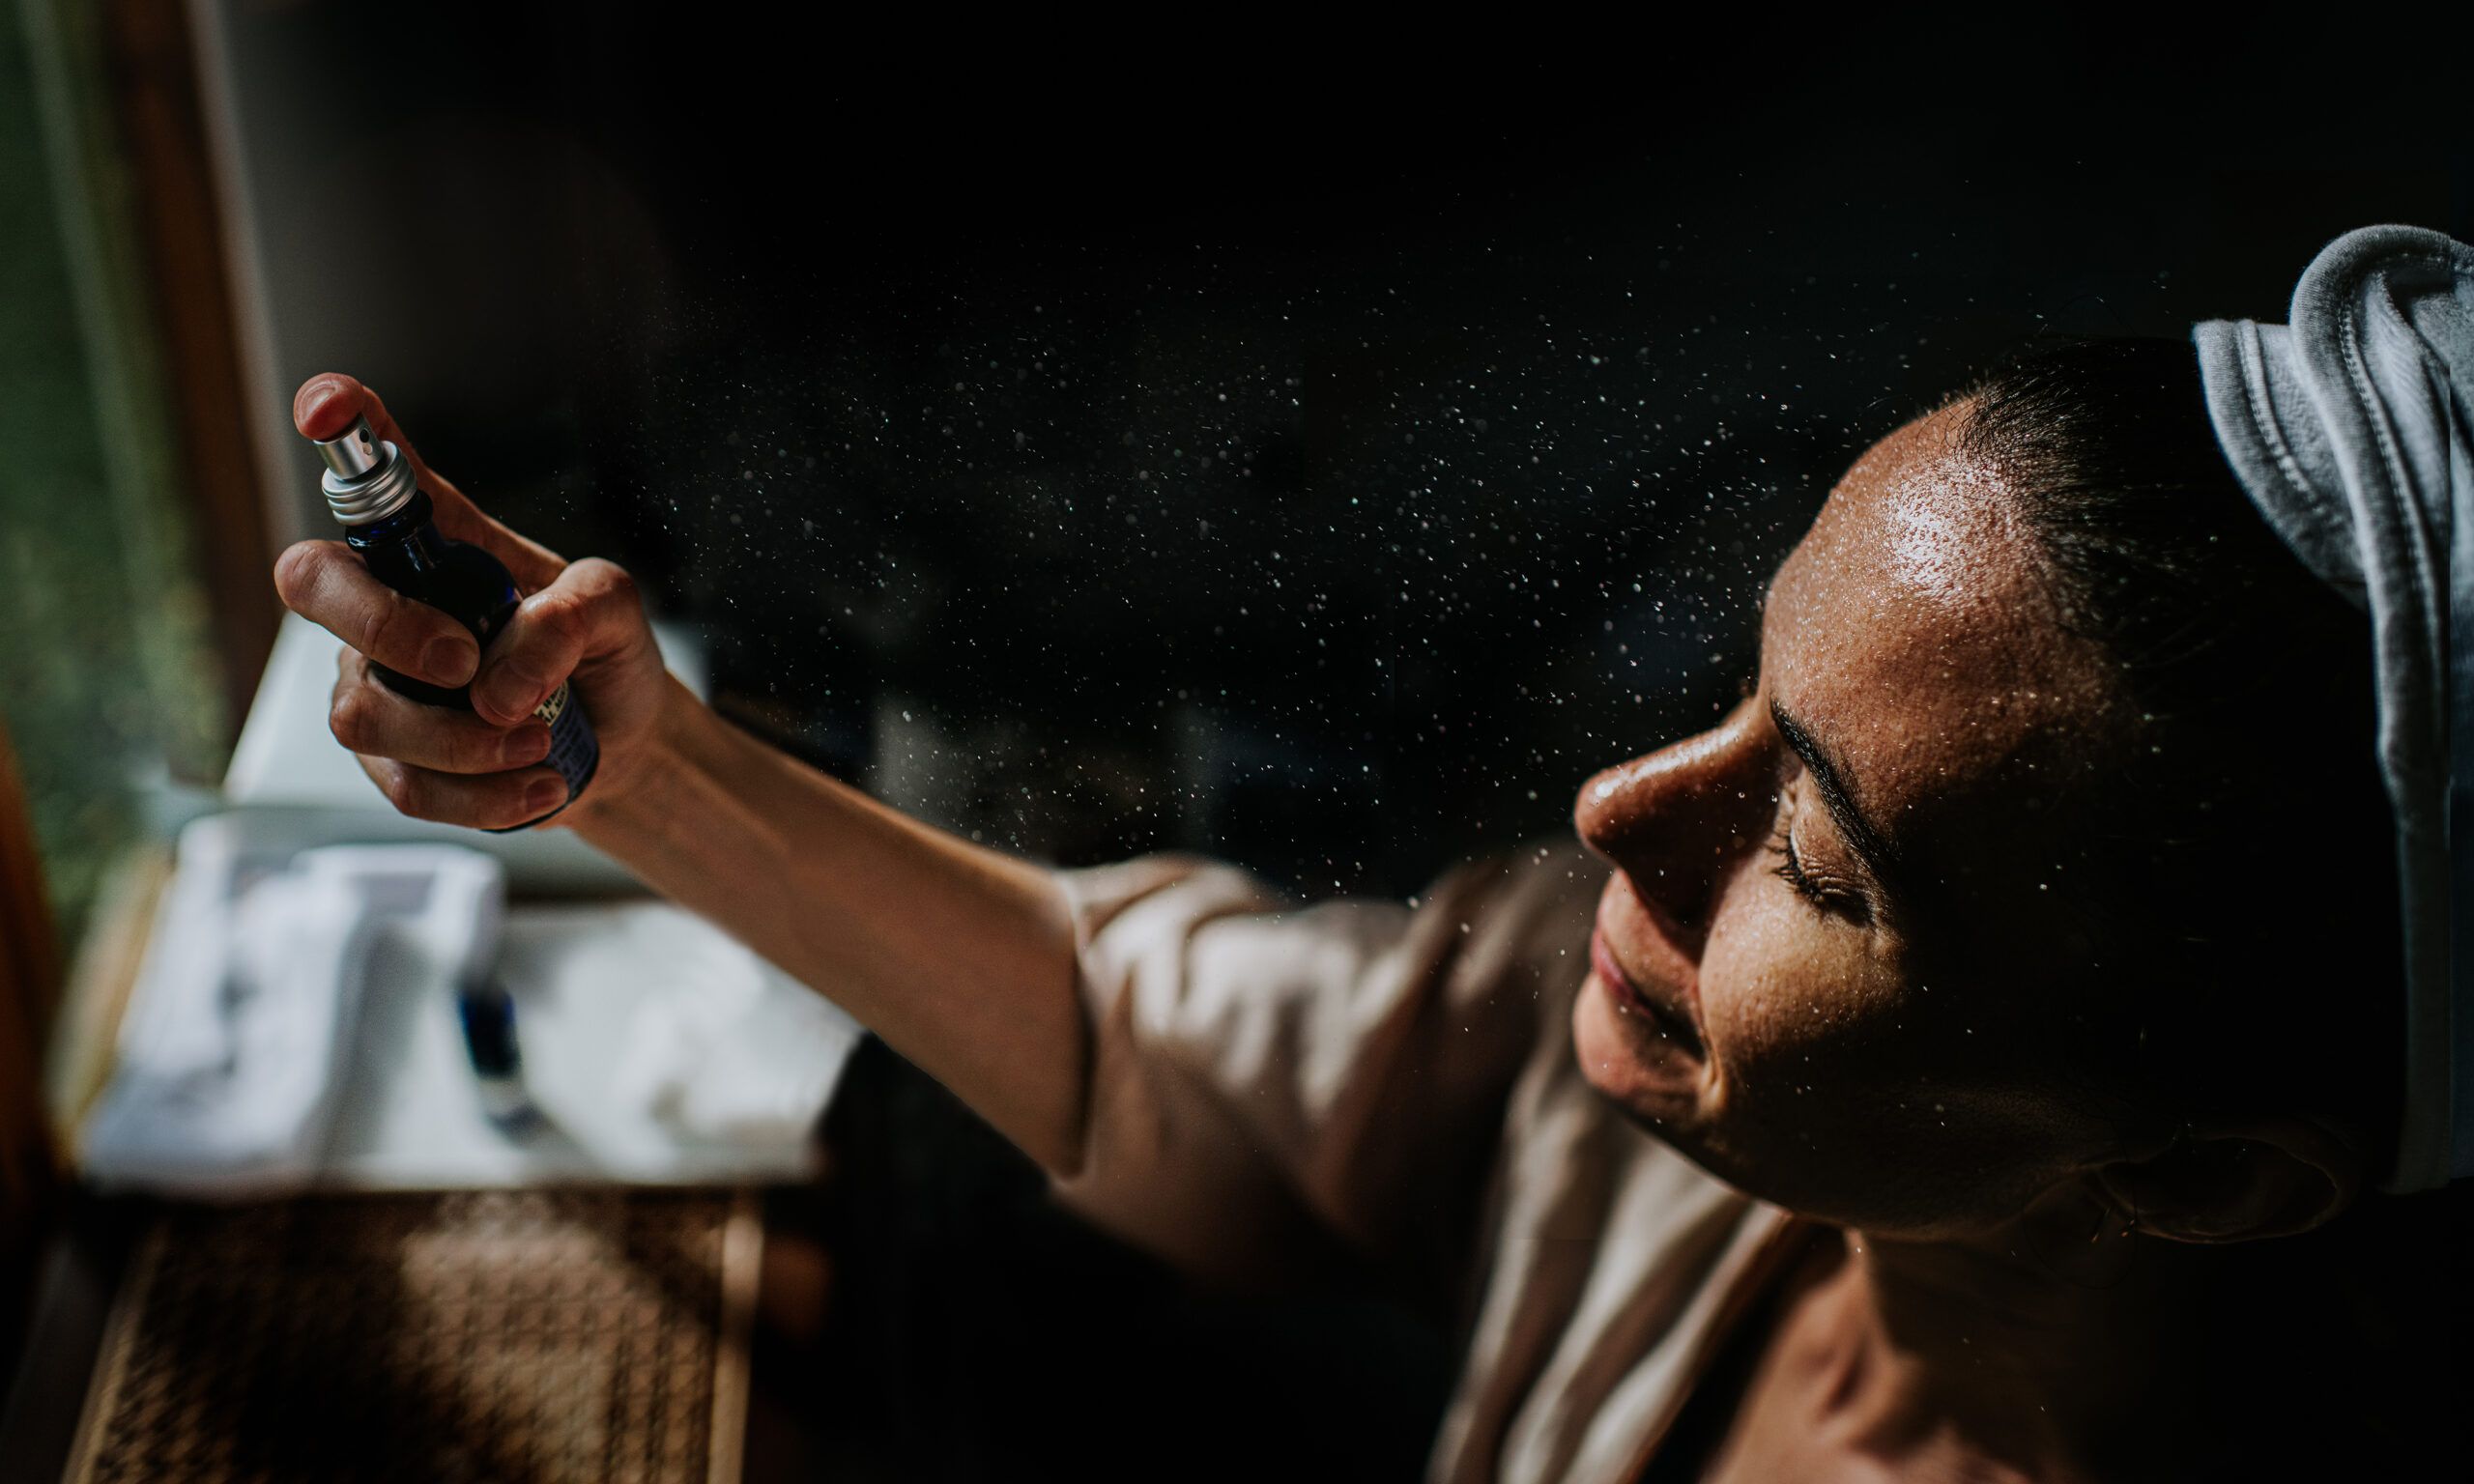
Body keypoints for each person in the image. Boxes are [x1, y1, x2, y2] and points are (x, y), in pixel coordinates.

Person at [271, 227, 2471, 1480]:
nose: (1628, 805)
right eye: (1745, 692)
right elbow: (1148, 1052)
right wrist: (629, 766)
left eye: (1827, 857)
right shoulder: (1686, 1103)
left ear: (2199, 1170)